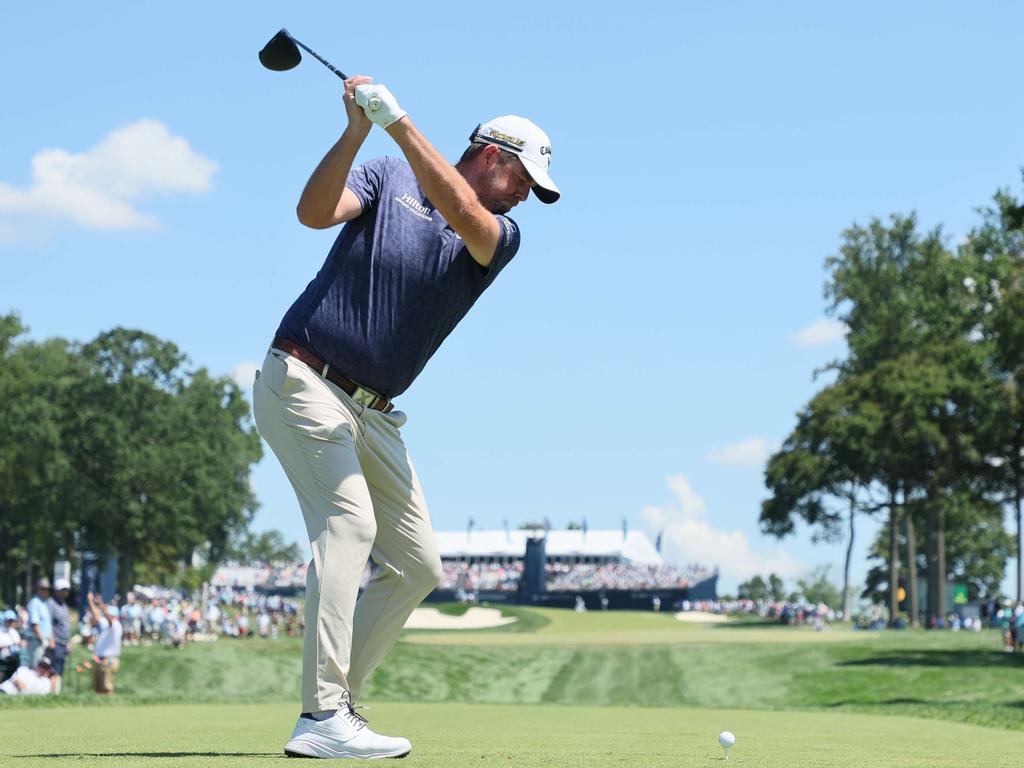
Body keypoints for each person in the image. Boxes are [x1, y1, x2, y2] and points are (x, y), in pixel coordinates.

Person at [253, 75, 558, 760]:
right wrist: (360, 130)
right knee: (350, 523)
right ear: (492, 156)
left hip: (377, 415)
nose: (523, 199)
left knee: (417, 564)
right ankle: (323, 713)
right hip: (304, 376)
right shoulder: (389, 175)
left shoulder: (499, 237)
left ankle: (336, 706)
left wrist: (398, 122)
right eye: (522, 182)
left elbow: (468, 219)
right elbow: (313, 212)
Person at [86, 592, 123, 694]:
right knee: (98, 689)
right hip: (101, 660)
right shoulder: (107, 625)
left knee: (107, 687)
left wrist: (101, 604)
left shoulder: (116, 625)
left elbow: (107, 616)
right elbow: (97, 616)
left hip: (109, 660)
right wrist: (90, 601)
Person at [47, 579, 73, 694]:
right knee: (54, 670)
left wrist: (69, 642)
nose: (65, 592)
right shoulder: (51, 604)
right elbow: (49, 624)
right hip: (55, 643)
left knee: (60, 671)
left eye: (66, 590)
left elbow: (66, 626)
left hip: (63, 643)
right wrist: (51, 639)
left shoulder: (64, 606)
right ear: (56, 591)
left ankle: (56, 693)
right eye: (63, 590)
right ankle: (53, 694)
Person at [25, 578, 53, 669]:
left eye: (47, 589)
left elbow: (48, 624)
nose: (46, 591)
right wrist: (43, 640)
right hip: (36, 642)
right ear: (37, 589)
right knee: (35, 669)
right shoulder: (34, 602)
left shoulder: (44, 603)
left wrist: (49, 639)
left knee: (43, 671)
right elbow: (35, 625)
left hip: (44, 642)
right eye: (43, 589)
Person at [0, 610, 21, 680]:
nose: (10, 622)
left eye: (12, 620)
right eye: (9, 620)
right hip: (3, 658)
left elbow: (19, 643)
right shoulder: (1, 631)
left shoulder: (14, 632)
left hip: (14, 659)